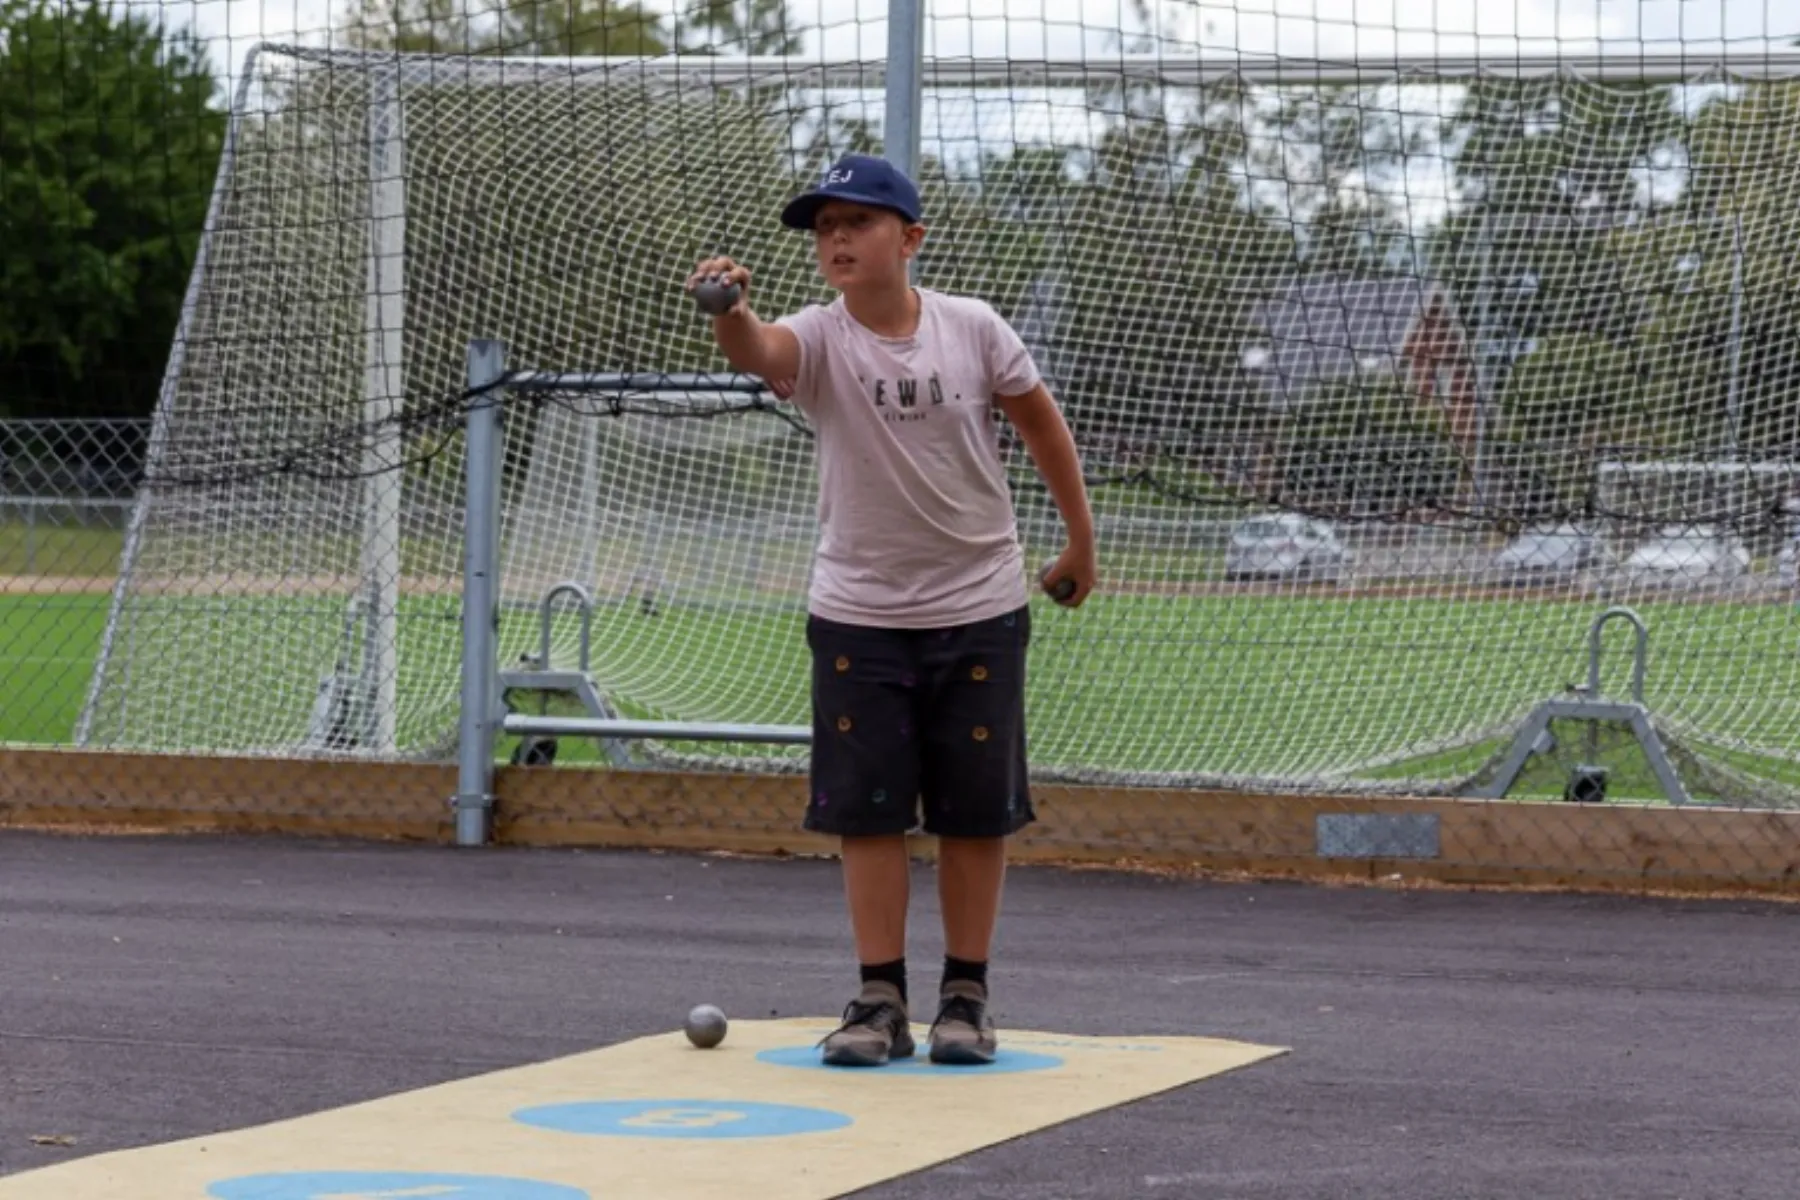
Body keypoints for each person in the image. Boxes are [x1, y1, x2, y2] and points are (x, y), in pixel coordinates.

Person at [686, 153, 1096, 1067]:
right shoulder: (818, 337)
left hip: (978, 601)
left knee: (973, 811)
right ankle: (878, 999)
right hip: (858, 612)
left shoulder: (973, 328)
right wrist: (731, 310)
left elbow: (1040, 424)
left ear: (908, 239)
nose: (836, 239)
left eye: (857, 223)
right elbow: (761, 354)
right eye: (824, 227)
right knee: (867, 813)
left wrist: (1080, 540)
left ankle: (966, 995)